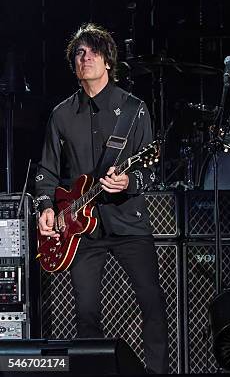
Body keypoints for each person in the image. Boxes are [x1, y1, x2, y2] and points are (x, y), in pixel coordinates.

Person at [35, 23, 169, 374]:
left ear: (108, 61)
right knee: (86, 312)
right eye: (79, 53)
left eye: (93, 52)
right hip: (81, 231)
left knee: (152, 304)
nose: (86, 58)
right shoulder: (61, 114)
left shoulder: (134, 109)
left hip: (129, 223)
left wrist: (128, 181)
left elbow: (152, 173)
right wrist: (47, 207)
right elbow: (47, 174)